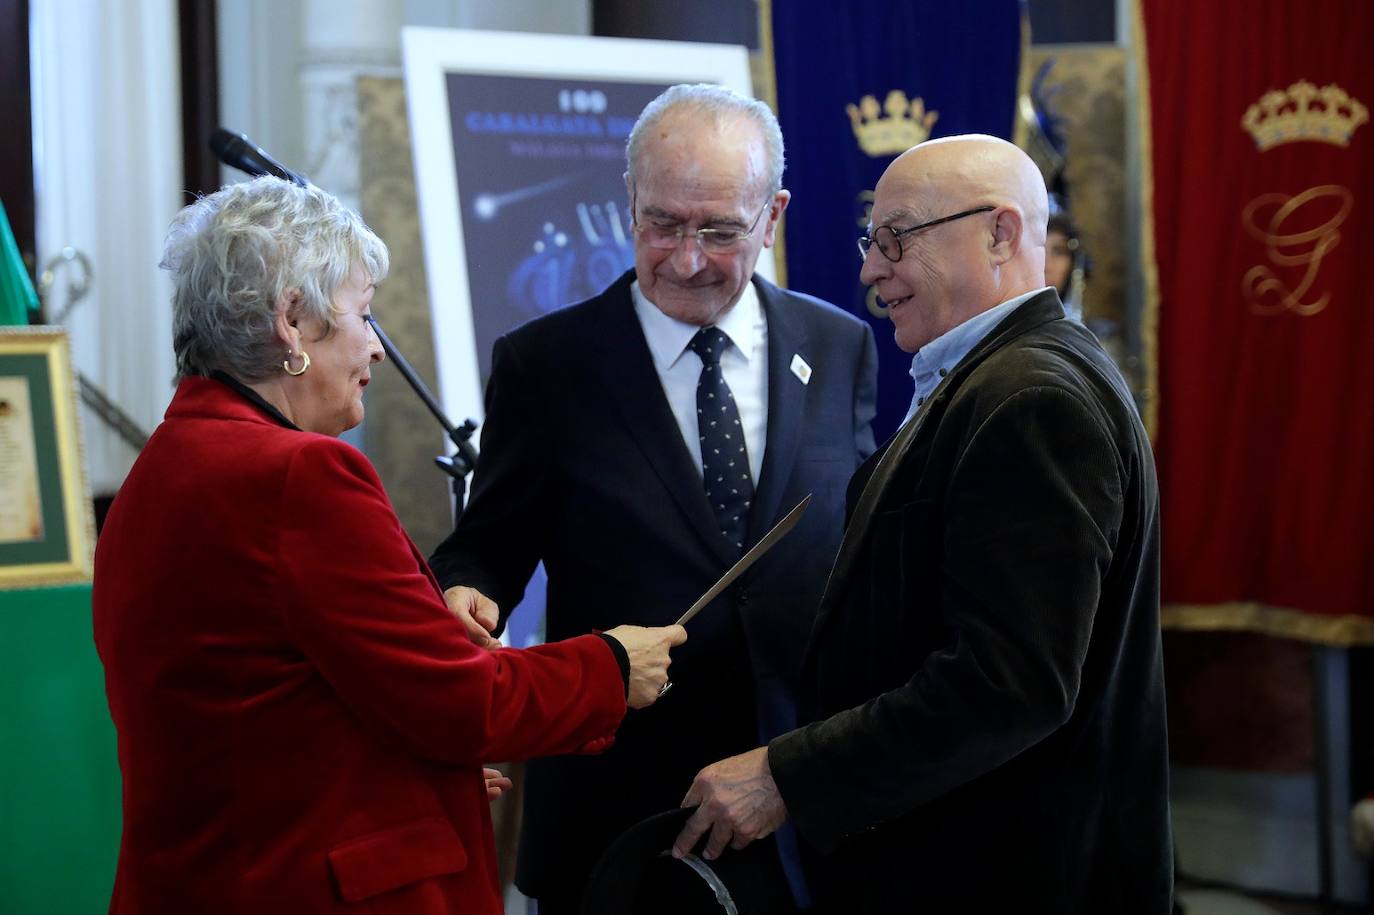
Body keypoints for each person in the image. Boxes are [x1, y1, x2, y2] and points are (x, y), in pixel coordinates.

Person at [92, 176, 686, 915]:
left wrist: (411, 776)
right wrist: (612, 665)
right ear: (292, 322)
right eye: (363, 315)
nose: (374, 346)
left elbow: (261, 713)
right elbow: (459, 703)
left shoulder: (162, 466)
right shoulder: (300, 475)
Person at [674, 135, 1173, 913]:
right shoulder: (994, 375)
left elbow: (1009, 684)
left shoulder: (1032, 401)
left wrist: (787, 774)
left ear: (1001, 233)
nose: (872, 270)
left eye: (897, 238)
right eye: (872, 240)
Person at [428, 83, 878, 913]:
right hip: (618, 810)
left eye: (719, 230)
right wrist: (464, 590)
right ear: (626, 204)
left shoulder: (839, 345)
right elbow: (488, 544)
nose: (687, 258)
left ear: (772, 216)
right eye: (662, 224)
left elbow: (861, 547)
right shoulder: (548, 364)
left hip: (804, 806)